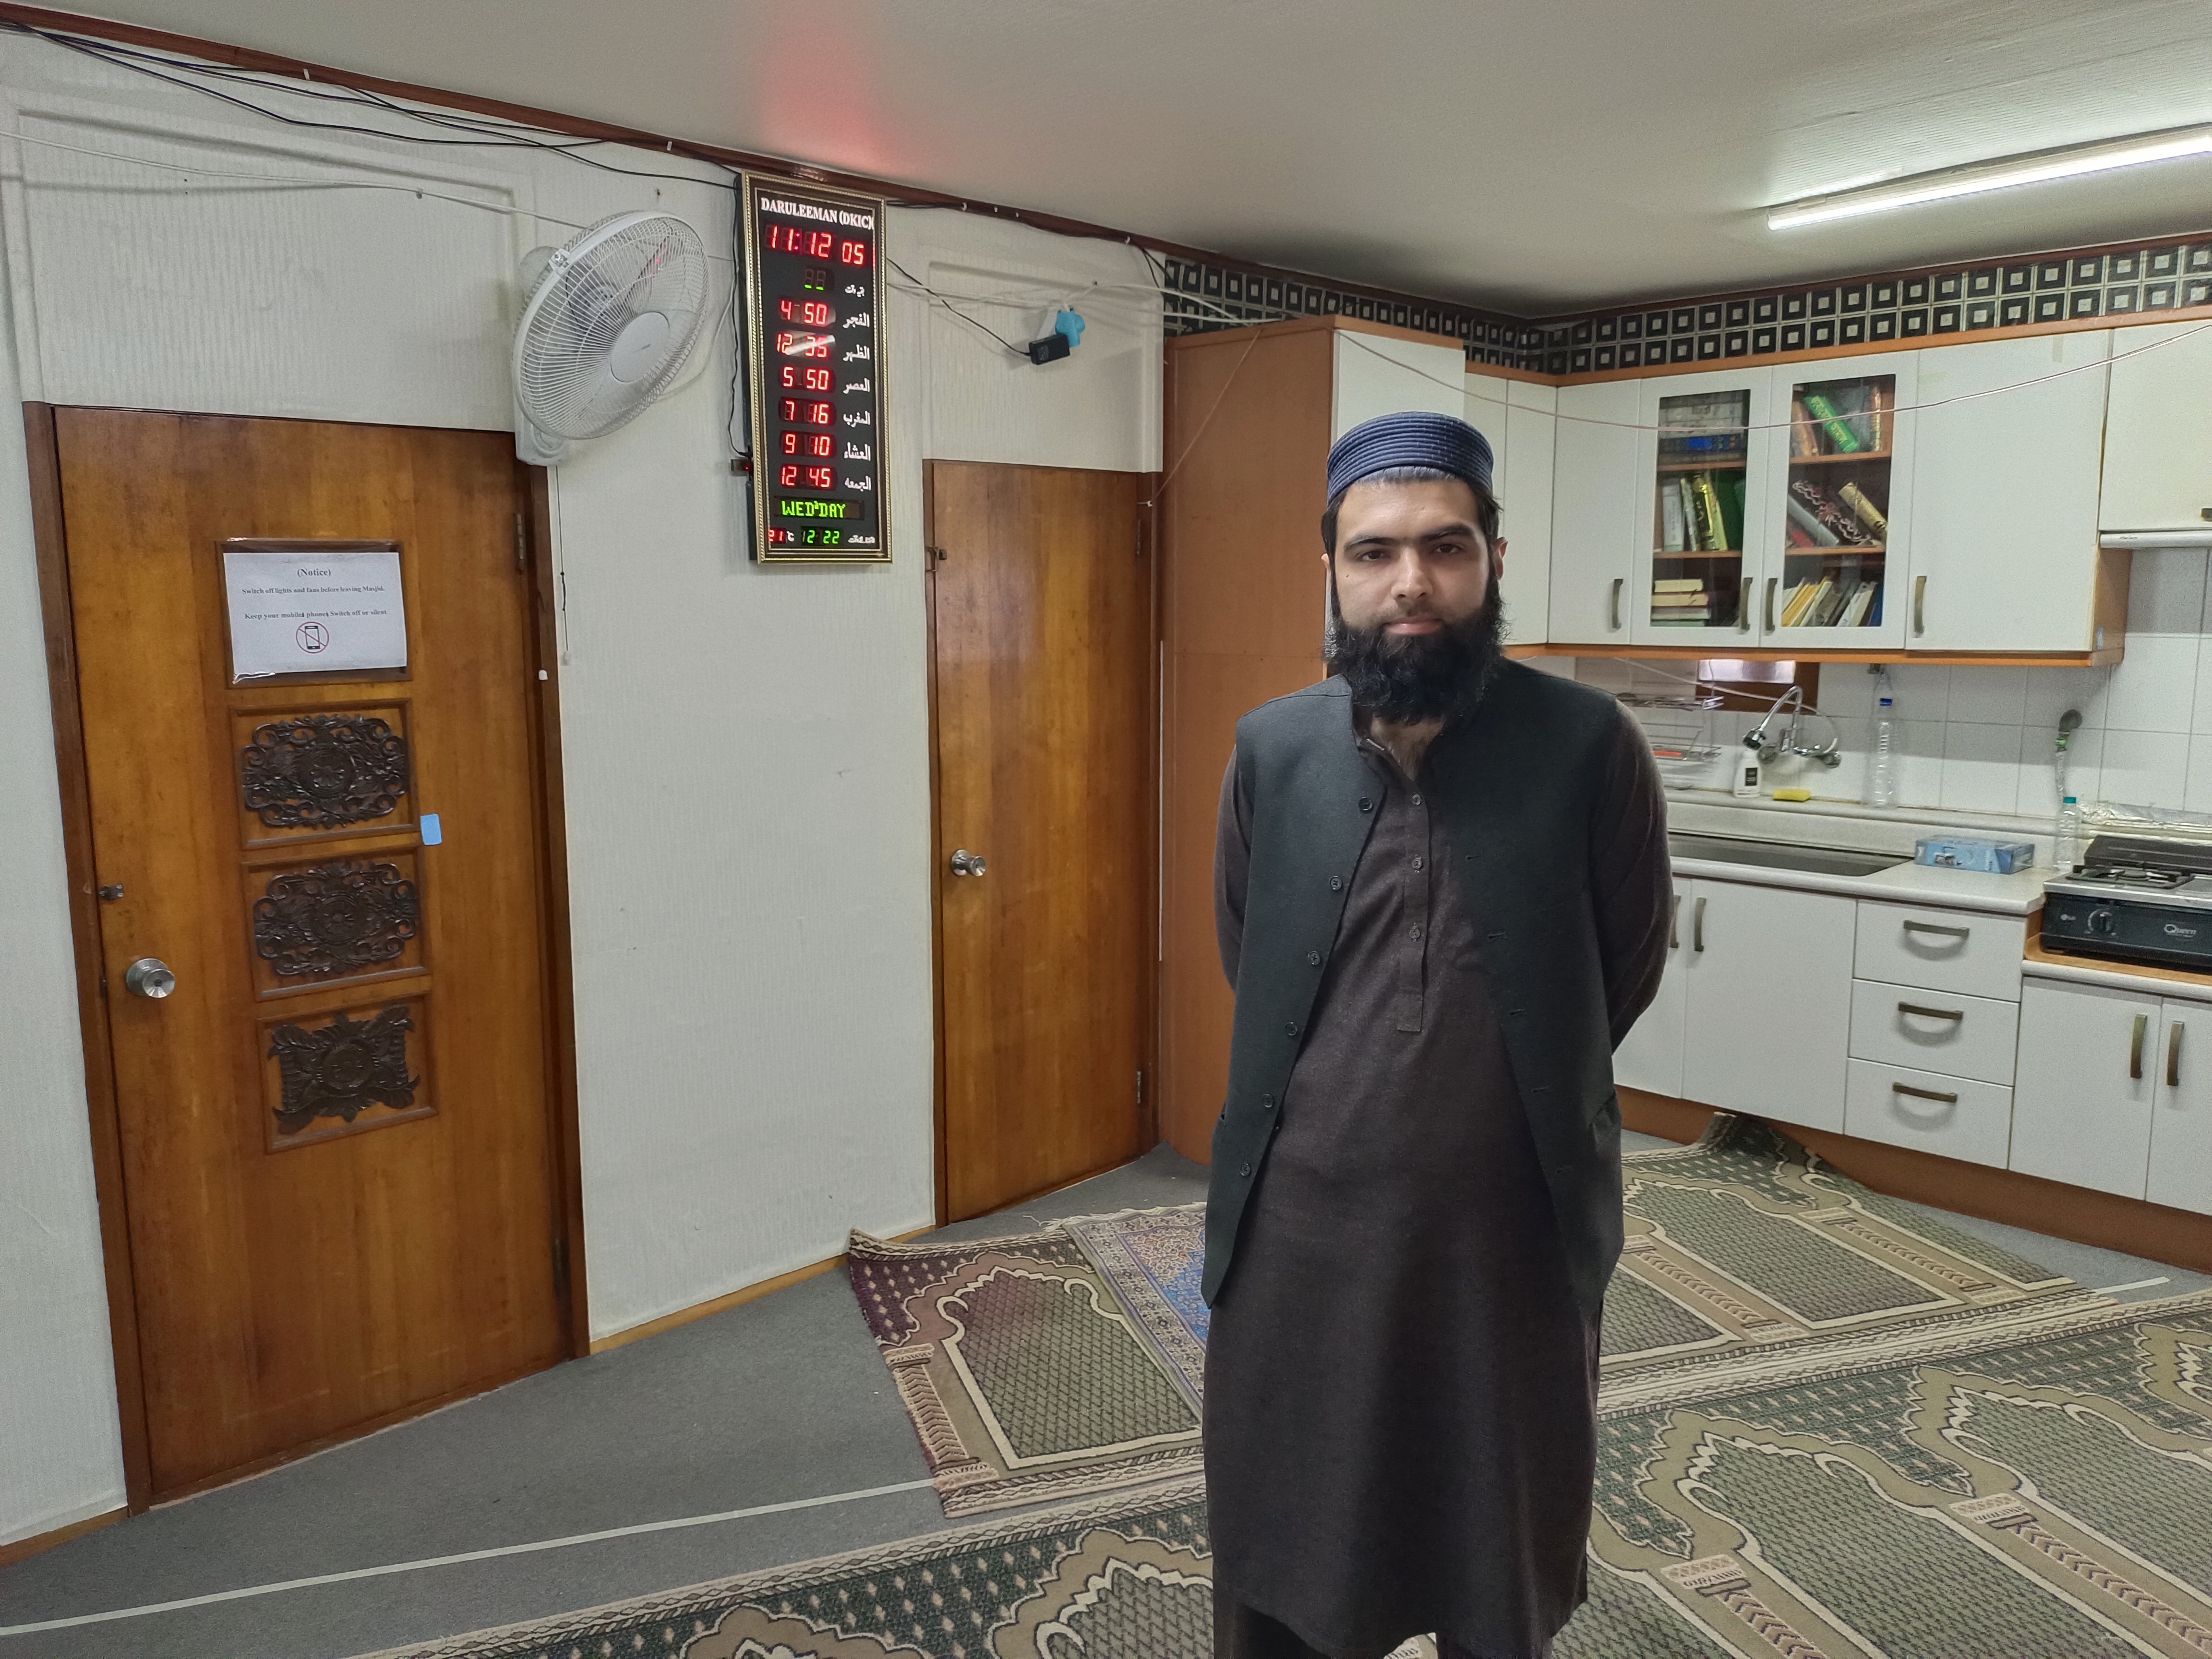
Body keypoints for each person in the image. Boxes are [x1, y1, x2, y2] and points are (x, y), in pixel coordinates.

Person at [1202, 409, 1672, 1659]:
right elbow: (1249, 954)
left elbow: (1619, 972)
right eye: (1375, 552)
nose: (1412, 582)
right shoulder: (1272, 751)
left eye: (1446, 547)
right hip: (1297, 1245)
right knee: (1291, 1563)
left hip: (1507, 1251)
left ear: (1494, 560)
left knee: (1493, 1563)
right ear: (1333, 569)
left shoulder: (1587, 749)